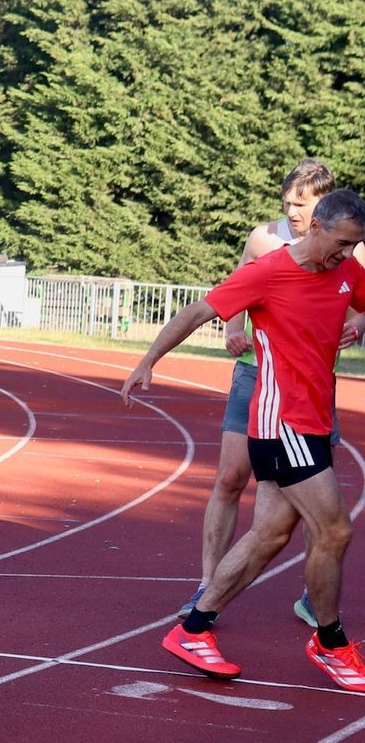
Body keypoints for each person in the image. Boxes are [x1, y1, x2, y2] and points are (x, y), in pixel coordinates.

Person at [123, 188, 365, 690]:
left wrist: (358, 322)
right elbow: (197, 312)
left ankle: (193, 630)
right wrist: (148, 361)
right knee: (335, 530)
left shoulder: (346, 271)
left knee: (269, 535)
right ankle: (331, 642)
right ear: (315, 227)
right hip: (282, 423)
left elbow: (363, 301)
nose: (346, 254)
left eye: (354, 245)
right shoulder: (268, 272)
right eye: (341, 243)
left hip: (314, 421)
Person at [185, 158, 336, 624]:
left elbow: (357, 300)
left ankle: (315, 595)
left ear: (325, 204)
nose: (291, 211)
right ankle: (207, 584)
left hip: (311, 384)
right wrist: (233, 329)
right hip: (256, 373)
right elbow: (233, 291)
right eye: (287, 202)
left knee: (315, 496)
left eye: (302, 204)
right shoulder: (263, 239)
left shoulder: (347, 246)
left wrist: (358, 326)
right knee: (230, 477)